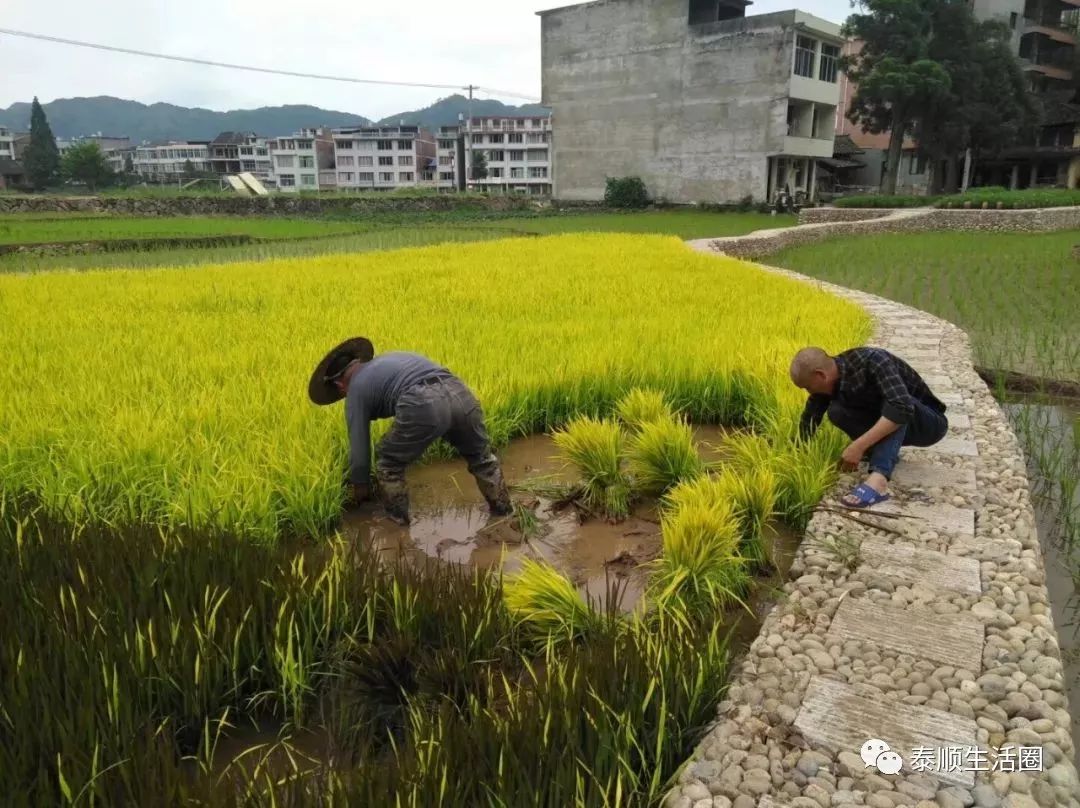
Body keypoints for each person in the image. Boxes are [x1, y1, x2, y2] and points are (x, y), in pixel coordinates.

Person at [308, 337, 512, 525]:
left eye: (340, 392)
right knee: (482, 459)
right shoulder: (391, 358)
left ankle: (397, 525)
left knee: (388, 462)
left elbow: (359, 448)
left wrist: (360, 489)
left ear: (338, 384)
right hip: (461, 394)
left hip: (423, 403)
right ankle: (505, 514)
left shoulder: (355, 390)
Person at [789, 346, 949, 508]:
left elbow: (902, 408)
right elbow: (810, 419)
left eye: (808, 387)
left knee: (897, 404)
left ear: (821, 375)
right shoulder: (831, 382)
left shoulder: (873, 361)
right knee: (836, 411)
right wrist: (793, 455)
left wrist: (858, 446)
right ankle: (880, 452)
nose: (809, 392)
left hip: (930, 424)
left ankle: (878, 479)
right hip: (901, 421)